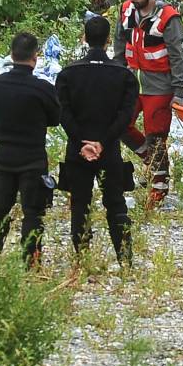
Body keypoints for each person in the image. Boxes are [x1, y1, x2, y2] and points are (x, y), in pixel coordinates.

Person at [57, 16, 139, 266]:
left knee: (80, 203)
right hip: (110, 150)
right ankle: (125, 259)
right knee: (116, 204)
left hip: (77, 150)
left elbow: (64, 114)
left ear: (84, 38)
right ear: (108, 41)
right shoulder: (123, 76)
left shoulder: (68, 74)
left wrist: (84, 142)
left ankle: (82, 258)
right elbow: (126, 116)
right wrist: (102, 142)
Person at [0, 33, 61, 267]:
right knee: (33, 212)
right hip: (32, 158)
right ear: (35, 56)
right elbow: (55, 118)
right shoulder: (42, 88)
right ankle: (31, 261)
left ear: (12, 54)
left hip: (3, 157)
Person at [113, 0, 183, 207]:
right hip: (132, 82)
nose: (132, 0)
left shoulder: (168, 18)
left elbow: (177, 56)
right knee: (120, 124)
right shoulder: (126, 12)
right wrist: (116, 74)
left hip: (159, 86)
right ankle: (152, 160)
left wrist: (178, 91)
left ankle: (160, 184)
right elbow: (119, 45)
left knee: (156, 136)